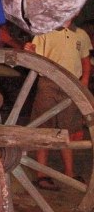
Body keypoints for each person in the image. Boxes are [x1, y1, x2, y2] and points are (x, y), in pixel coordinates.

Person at [25, 13, 92, 189]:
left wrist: (84, 80)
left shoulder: (81, 35)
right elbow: (35, 56)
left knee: (67, 129)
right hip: (48, 84)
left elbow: (85, 60)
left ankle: (69, 172)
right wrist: (30, 52)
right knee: (43, 126)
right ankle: (41, 174)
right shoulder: (44, 32)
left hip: (71, 85)